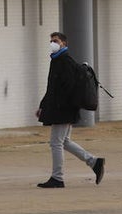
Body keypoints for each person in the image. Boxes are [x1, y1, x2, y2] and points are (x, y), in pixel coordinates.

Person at [35, 32, 105, 188]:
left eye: (56, 41)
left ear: (64, 44)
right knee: (64, 141)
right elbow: (52, 88)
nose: (52, 43)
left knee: (56, 143)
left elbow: (66, 89)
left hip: (63, 110)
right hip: (62, 109)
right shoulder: (57, 61)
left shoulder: (65, 62)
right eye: (51, 41)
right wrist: (43, 105)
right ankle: (94, 162)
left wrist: (56, 107)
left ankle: (57, 178)